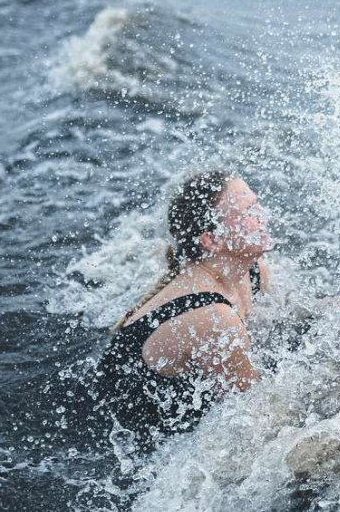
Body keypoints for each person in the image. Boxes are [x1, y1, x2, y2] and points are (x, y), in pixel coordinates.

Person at [93, 171, 273, 442]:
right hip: (121, 436)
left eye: (257, 204)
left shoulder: (251, 269)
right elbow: (260, 418)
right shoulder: (214, 319)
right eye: (249, 211)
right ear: (211, 239)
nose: (264, 215)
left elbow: (278, 314)